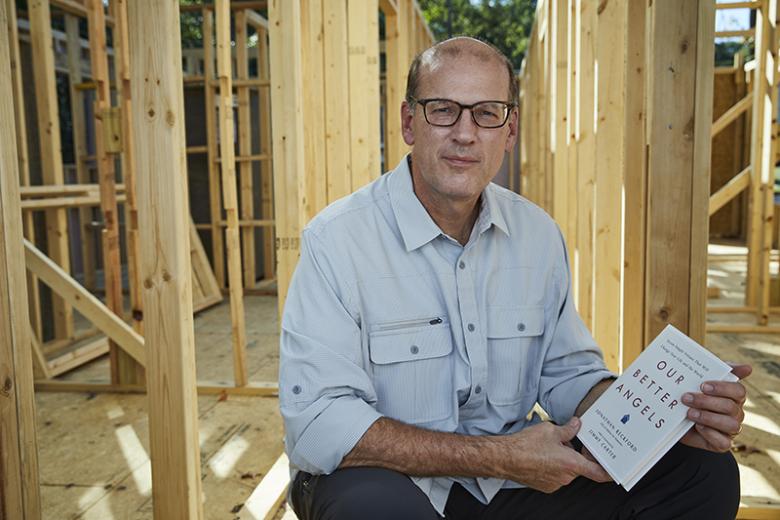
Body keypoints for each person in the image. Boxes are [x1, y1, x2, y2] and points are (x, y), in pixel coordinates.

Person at [279, 36, 750, 520]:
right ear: (408, 122)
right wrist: (502, 456)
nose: (465, 133)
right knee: (375, 510)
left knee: (701, 472)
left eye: (487, 113)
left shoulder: (537, 235)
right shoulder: (336, 241)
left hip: (507, 483)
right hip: (387, 480)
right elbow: (317, 423)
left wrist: (665, 420)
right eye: (443, 110)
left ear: (509, 130)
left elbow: (570, 378)